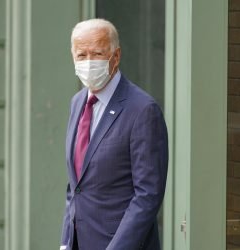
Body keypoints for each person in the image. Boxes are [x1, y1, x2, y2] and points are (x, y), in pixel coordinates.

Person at [61, 18, 168, 250]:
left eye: (97, 54)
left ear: (115, 57)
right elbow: (75, 187)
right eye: (81, 55)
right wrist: (66, 242)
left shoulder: (142, 110)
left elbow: (147, 195)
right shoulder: (77, 102)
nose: (88, 62)